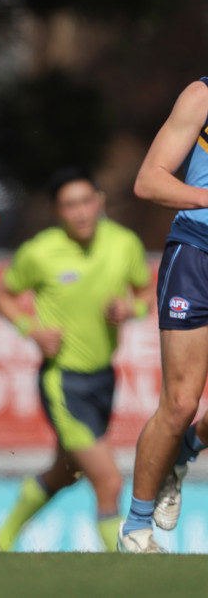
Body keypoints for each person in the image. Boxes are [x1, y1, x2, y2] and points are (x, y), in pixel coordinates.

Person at [0, 165, 152, 553]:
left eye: (87, 201)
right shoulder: (40, 252)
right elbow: (2, 297)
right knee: (108, 480)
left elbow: (144, 295)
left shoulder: (124, 244)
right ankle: (126, 555)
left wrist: (130, 310)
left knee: (66, 471)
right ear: (58, 212)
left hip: (104, 377)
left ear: (100, 202)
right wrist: (31, 329)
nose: (81, 212)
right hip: (63, 381)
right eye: (70, 205)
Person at [118, 78, 208, 553]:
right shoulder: (202, 97)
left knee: (185, 419)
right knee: (179, 404)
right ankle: (135, 528)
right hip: (196, 254)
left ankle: (186, 451)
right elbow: (148, 180)